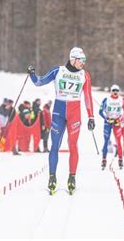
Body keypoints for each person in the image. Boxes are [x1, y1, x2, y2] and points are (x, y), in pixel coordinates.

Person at [28, 47, 94, 194]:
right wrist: (32, 74)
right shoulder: (58, 71)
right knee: (54, 146)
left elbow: (88, 97)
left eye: (84, 60)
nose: (83, 63)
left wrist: (91, 117)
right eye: (81, 60)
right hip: (58, 112)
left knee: (73, 145)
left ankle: (72, 177)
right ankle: (52, 177)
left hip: (74, 114)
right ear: (73, 59)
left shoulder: (85, 75)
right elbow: (39, 82)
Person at [99, 84, 124, 169]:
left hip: (117, 123)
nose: (115, 92)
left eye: (117, 91)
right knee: (106, 141)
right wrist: (107, 118)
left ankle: (120, 159)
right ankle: (104, 160)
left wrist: (119, 119)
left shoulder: (122, 100)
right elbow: (100, 112)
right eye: (113, 90)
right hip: (108, 123)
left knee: (118, 141)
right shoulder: (106, 100)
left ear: (119, 92)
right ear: (111, 91)